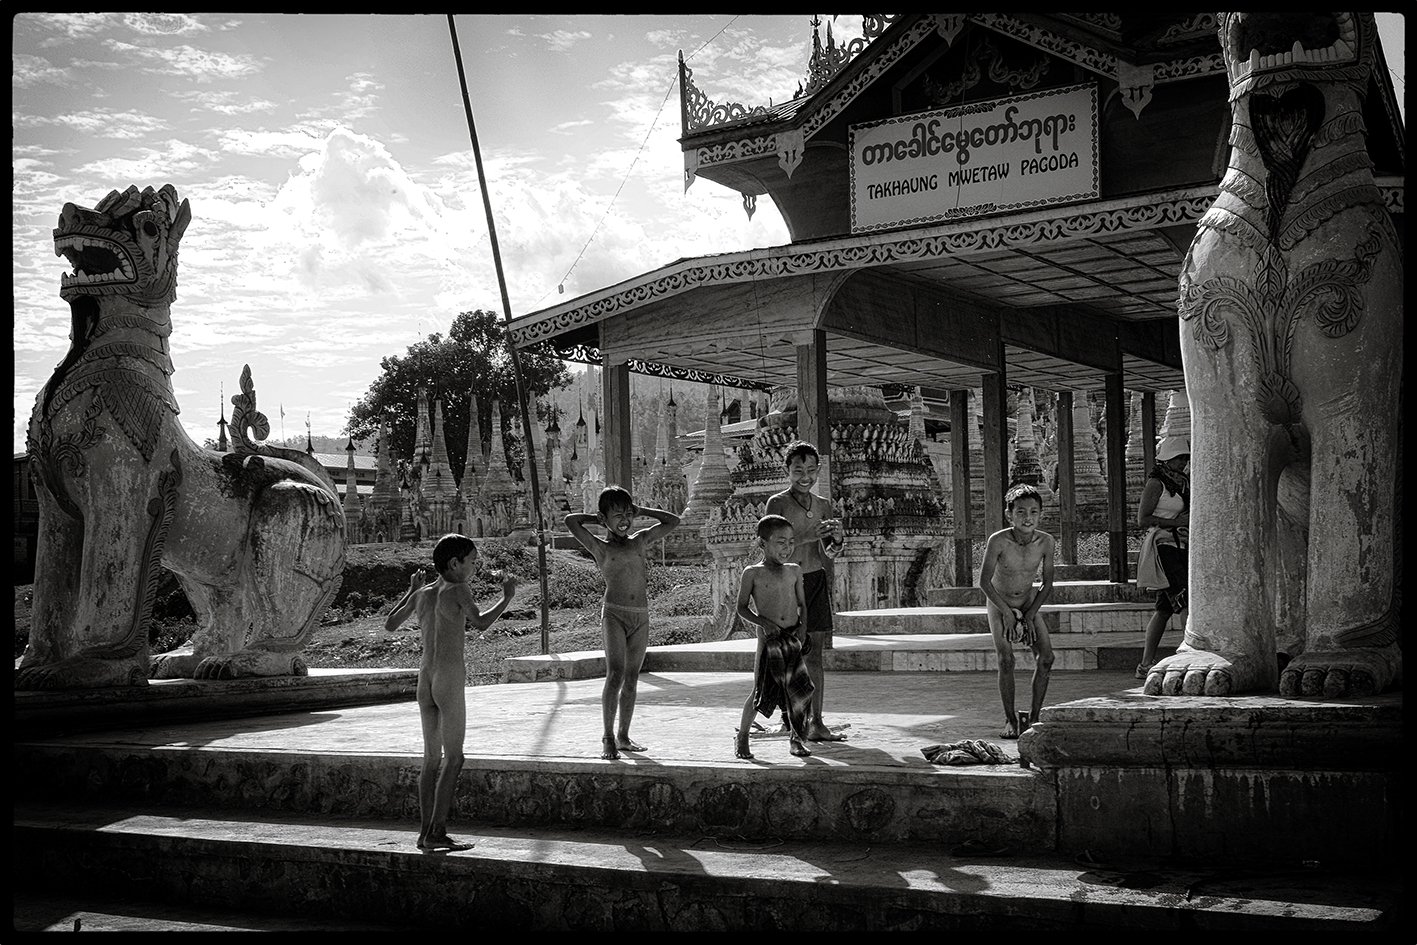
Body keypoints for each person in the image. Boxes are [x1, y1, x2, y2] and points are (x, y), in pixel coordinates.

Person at [385, 533, 516, 851]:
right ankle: (437, 831)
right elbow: (481, 622)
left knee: (431, 759)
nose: (473, 567)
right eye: (471, 561)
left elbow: (390, 624)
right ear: (454, 564)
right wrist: (507, 597)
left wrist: (411, 591)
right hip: (448, 679)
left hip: (424, 680)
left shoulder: (424, 593)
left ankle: (423, 833)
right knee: (454, 758)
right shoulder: (459, 589)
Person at [565, 485, 680, 760]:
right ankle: (607, 737)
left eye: (628, 514)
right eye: (618, 515)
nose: (625, 520)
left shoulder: (639, 541)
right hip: (614, 614)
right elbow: (571, 521)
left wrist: (642, 511)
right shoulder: (600, 548)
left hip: (640, 616)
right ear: (605, 519)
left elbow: (672, 521)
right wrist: (600, 519)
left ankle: (624, 735)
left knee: (631, 679)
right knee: (615, 674)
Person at [764, 441, 847, 742]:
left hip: (814, 579)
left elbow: (831, 551)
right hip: (785, 581)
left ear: (818, 470)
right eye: (798, 470)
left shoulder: (824, 504)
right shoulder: (778, 504)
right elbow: (774, 547)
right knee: (789, 656)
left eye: (811, 470)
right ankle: (792, 721)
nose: (805, 476)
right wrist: (807, 536)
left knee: (816, 656)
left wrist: (836, 538)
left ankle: (817, 721)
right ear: (787, 470)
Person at [979, 483, 1056, 740]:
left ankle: (1034, 717)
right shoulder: (998, 541)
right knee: (1006, 659)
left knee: (1046, 657)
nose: (1027, 518)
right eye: (1021, 512)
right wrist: (1008, 614)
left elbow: (1047, 583)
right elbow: (984, 582)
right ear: (1009, 514)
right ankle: (1010, 719)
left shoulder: (1045, 541)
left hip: (1028, 600)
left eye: (1033, 512)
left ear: (1040, 514)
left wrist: (1031, 614)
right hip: (999, 601)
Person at [734, 515, 815, 760]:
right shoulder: (753, 573)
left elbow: (802, 604)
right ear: (763, 544)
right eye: (780, 542)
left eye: (791, 542)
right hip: (769, 641)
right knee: (760, 692)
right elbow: (741, 607)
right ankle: (743, 736)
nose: (787, 548)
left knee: (799, 692)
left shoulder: (794, 570)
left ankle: (797, 740)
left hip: (792, 637)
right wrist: (763, 623)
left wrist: (803, 628)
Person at [1134, 436, 1190, 679]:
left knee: (1164, 608)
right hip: (1163, 545)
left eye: (1185, 458)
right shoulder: (1156, 484)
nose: (1183, 463)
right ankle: (1193, 653)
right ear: (1168, 459)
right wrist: (1174, 522)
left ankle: (1145, 664)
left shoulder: (1183, 482)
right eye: (1179, 458)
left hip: (1181, 544)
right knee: (1184, 600)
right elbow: (1142, 519)